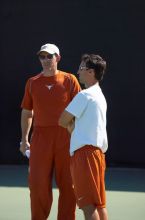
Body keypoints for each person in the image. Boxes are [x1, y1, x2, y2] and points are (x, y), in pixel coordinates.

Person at [19, 43, 81, 220]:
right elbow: (27, 111)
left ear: (58, 58)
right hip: (40, 138)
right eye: (42, 56)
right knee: (37, 184)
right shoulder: (32, 83)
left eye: (49, 56)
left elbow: (80, 111)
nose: (45, 60)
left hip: (66, 137)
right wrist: (24, 139)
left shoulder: (70, 80)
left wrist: (77, 137)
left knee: (69, 185)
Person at [59, 54, 108, 220]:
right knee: (99, 205)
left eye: (81, 68)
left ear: (91, 72)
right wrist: (75, 128)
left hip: (85, 156)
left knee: (88, 206)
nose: (78, 72)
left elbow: (62, 120)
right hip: (97, 155)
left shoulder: (85, 95)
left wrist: (72, 128)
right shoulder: (100, 96)